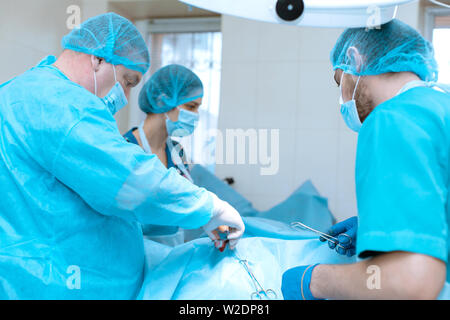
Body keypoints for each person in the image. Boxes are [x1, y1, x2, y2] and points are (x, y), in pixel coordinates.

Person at [0, 13, 244, 299]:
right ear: (98, 59)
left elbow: (83, 200)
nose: (125, 96)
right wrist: (209, 207)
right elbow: (130, 179)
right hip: (62, 283)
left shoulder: (17, 91)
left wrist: (187, 217)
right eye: (128, 81)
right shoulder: (63, 105)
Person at [282, 19, 450, 300]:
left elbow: (411, 282)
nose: (342, 98)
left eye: (340, 82)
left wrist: (314, 280)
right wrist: (392, 228)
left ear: (354, 60)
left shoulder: (393, 118)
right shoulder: (440, 104)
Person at [123, 64, 207, 246]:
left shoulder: (177, 152)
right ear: (163, 101)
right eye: (191, 106)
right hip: (133, 252)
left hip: (172, 251)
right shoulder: (126, 149)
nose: (196, 115)